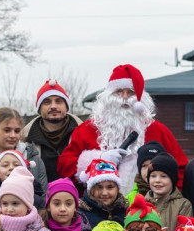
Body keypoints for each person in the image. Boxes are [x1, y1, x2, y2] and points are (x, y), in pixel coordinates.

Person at [57, 64, 187, 188]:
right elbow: (64, 166)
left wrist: (166, 198)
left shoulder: (157, 130)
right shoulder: (87, 129)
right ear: (108, 96)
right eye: (118, 91)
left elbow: (181, 170)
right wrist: (99, 159)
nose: (125, 97)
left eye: (131, 92)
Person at [0, 108, 47, 212]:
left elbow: (42, 197)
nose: (13, 135)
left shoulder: (33, 158)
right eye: (7, 130)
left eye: (17, 131)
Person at [24, 80, 82, 183]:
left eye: (58, 101)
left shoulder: (84, 135)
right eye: (47, 102)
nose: (53, 106)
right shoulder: (25, 141)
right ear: (39, 109)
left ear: (66, 106)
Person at [144, 151, 193, 231]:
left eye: (163, 176)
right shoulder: (142, 204)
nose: (157, 180)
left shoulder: (183, 205)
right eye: (153, 176)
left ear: (172, 180)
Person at [78, 158, 129, 227]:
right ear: (90, 189)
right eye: (99, 187)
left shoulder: (126, 210)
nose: (104, 193)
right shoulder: (81, 212)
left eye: (110, 187)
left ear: (117, 189)